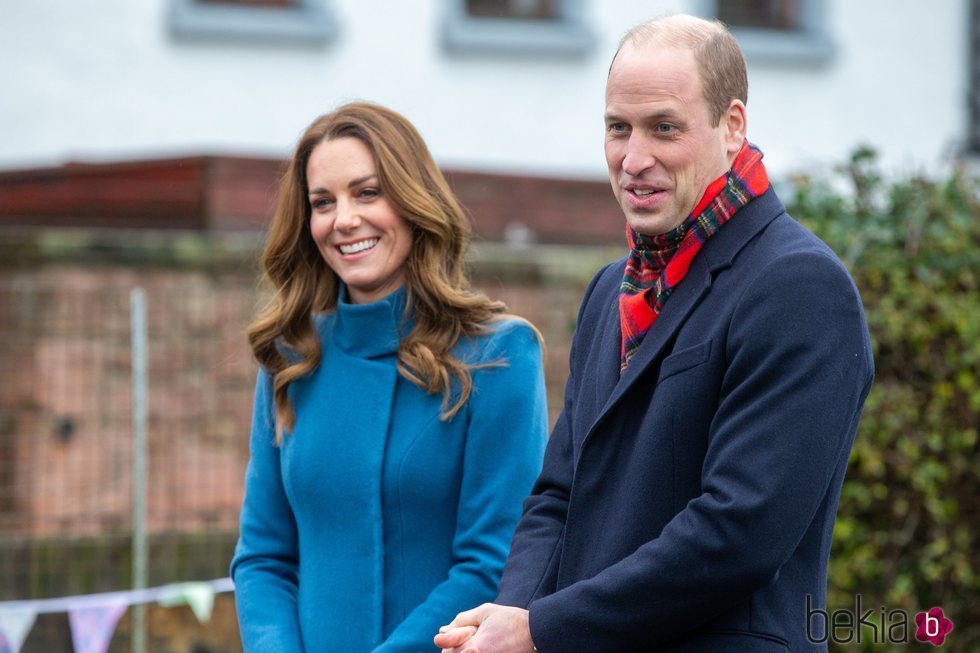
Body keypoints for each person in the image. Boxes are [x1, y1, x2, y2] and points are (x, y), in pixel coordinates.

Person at [435, 14, 874, 653]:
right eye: (618, 128)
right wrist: (509, 615)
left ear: (733, 127)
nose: (633, 159)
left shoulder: (799, 286)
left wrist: (541, 631)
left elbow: (739, 532)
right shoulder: (613, 288)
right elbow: (559, 494)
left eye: (664, 128)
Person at [230, 101, 549, 652]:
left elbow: (491, 560)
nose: (344, 219)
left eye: (367, 192)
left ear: (412, 200)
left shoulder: (500, 355)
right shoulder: (291, 359)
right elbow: (263, 557)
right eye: (322, 202)